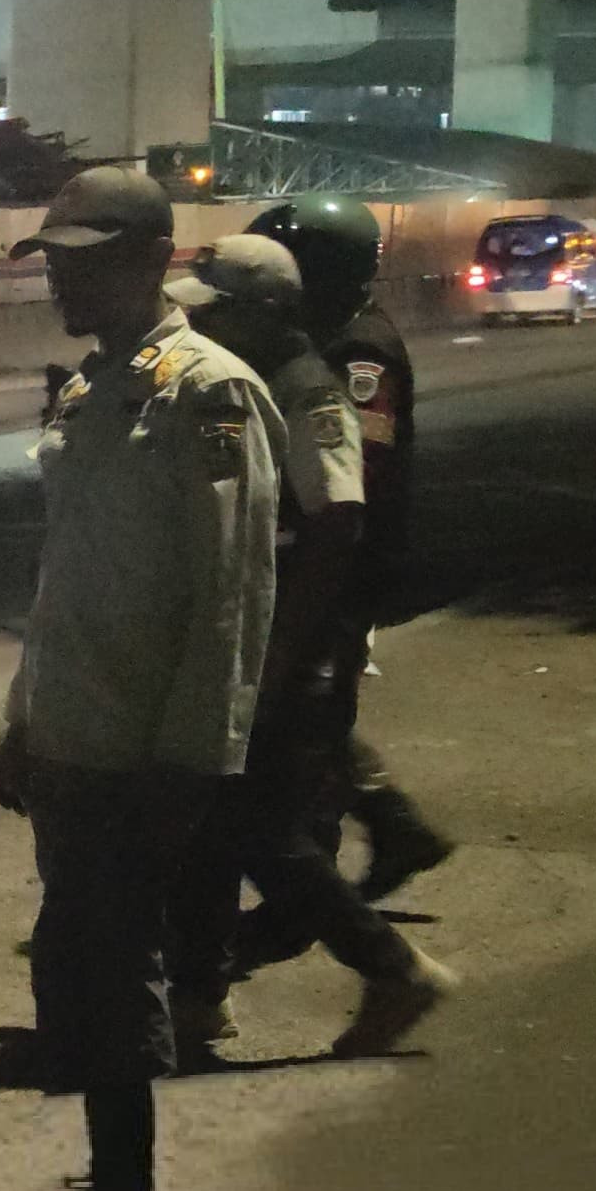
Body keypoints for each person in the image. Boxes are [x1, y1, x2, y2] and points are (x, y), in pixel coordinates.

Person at [0, 167, 279, 1191]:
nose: (64, 281)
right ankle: (111, 1174)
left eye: (88, 259)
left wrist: (195, 759)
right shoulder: (95, 389)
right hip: (72, 733)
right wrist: (22, 724)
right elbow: (61, 580)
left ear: (154, 258)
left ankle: (122, 1187)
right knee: (75, 958)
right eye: (56, 261)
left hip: (141, 748)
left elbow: (234, 595)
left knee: (108, 962)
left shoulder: (208, 393)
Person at [162, 238, 458, 1057]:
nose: (198, 320)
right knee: (221, 826)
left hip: (286, 650)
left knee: (257, 830)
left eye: (213, 309)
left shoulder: (306, 390)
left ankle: (392, 969)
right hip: (252, 643)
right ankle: (197, 1001)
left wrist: (284, 652)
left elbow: (336, 524)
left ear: (259, 311)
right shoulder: (251, 383)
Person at [248, 194, 457, 902]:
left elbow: (357, 476)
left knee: (307, 718)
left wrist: (330, 567)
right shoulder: (326, 337)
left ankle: (313, 892)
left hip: (342, 566)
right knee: (303, 717)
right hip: (314, 560)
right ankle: (394, 830)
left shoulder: (358, 351)